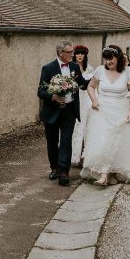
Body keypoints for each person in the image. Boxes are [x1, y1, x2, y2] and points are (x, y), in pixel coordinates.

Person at [80, 45, 130, 186]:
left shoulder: (129, 72)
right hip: (102, 112)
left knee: (117, 143)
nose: (108, 62)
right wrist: (94, 100)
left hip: (120, 111)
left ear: (118, 58)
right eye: (106, 59)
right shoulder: (100, 71)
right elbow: (90, 86)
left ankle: (111, 174)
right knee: (104, 142)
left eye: (111, 59)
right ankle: (103, 175)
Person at [37, 40, 89, 186]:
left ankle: (64, 172)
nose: (73, 54)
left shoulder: (74, 67)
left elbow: (83, 85)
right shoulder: (48, 68)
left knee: (66, 141)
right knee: (52, 142)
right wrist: (52, 96)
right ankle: (54, 167)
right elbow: (40, 91)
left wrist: (100, 75)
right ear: (61, 53)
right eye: (70, 52)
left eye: (73, 52)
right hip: (51, 111)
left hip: (69, 110)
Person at [70, 45, 95, 167]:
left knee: (85, 128)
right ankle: (73, 156)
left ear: (85, 55)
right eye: (77, 53)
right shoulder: (70, 68)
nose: (79, 56)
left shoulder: (90, 70)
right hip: (73, 100)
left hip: (85, 101)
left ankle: (84, 156)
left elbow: (92, 87)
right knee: (74, 127)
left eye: (82, 54)